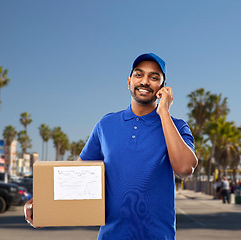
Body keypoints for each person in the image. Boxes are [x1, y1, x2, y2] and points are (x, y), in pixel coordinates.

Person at [24, 53, 198, 239]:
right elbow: (78, 175)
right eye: (139, 75)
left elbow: (185, 168)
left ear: (163, 87)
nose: (145, 81)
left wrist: (164, 112)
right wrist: (41, 203)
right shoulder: (106, 125)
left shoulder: (176, 126)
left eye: (154, 77)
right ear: (129, 81)